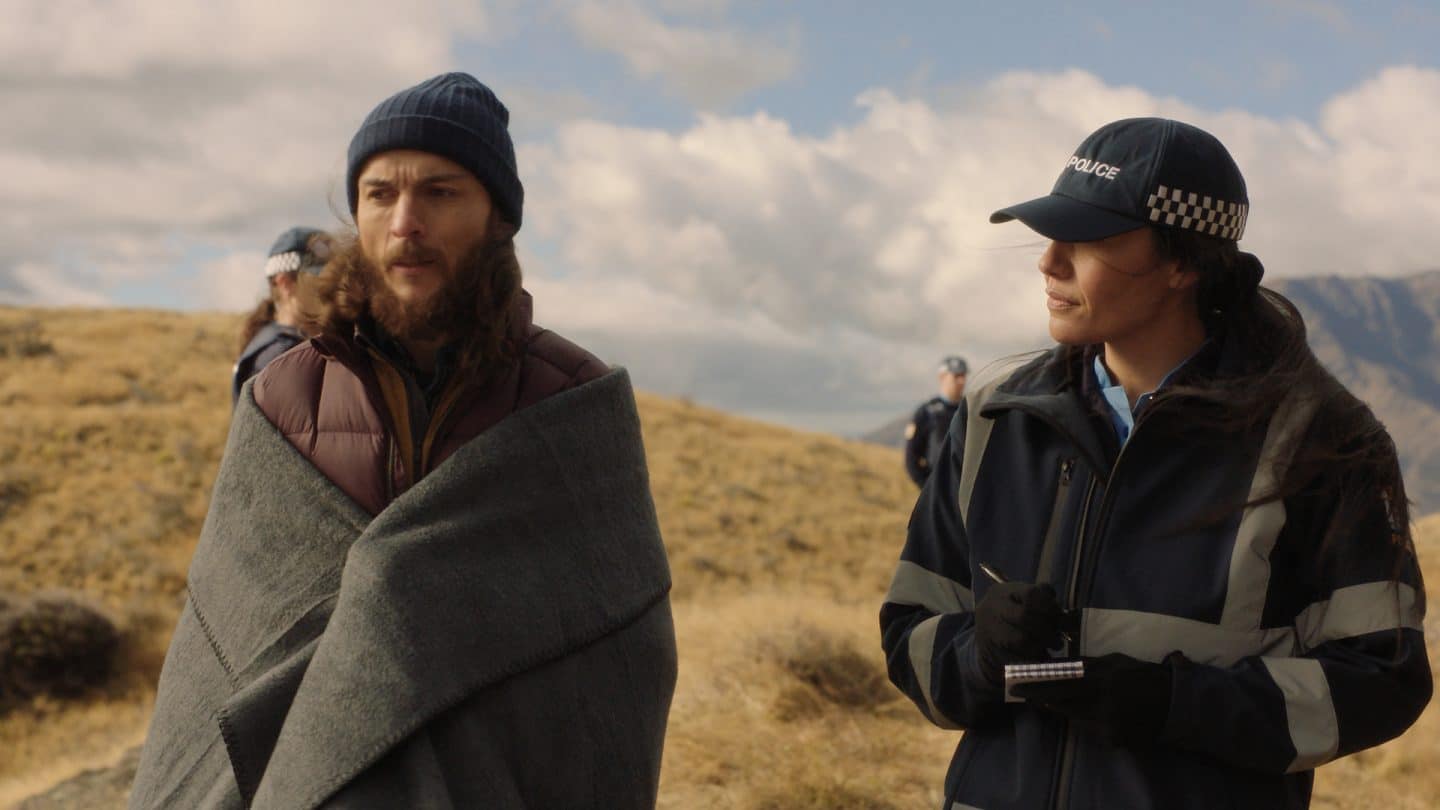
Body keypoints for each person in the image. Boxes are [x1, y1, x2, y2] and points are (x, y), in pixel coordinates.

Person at [131, 73, 677, 809]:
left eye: (440, 193)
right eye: (380, 194)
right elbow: (219, 658)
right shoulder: (279, 399)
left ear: (499, 218)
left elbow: (618, 661)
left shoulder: (573, 400)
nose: (405, 222)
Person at [879, 117, 1430, 809]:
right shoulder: (995, 416)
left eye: (1090, 240)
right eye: (1051, 237)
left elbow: (1382, 677)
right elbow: (909, 636)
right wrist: (977, 654)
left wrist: (1174, 703)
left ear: (1183, 264)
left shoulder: (1323, 441)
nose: (1049, 263)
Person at [231, 226, 332, 404]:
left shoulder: (285, 344)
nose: (331, 288)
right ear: (285, 283)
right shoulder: (277, 356)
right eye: (319, 280)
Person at [904, 355, 968, 486]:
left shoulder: (970, 410)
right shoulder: (927, 412)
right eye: (956, 376)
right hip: (939, 486)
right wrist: (928, 488)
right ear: (942, 377)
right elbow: (911, 457)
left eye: (963, 376)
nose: (961, 381)